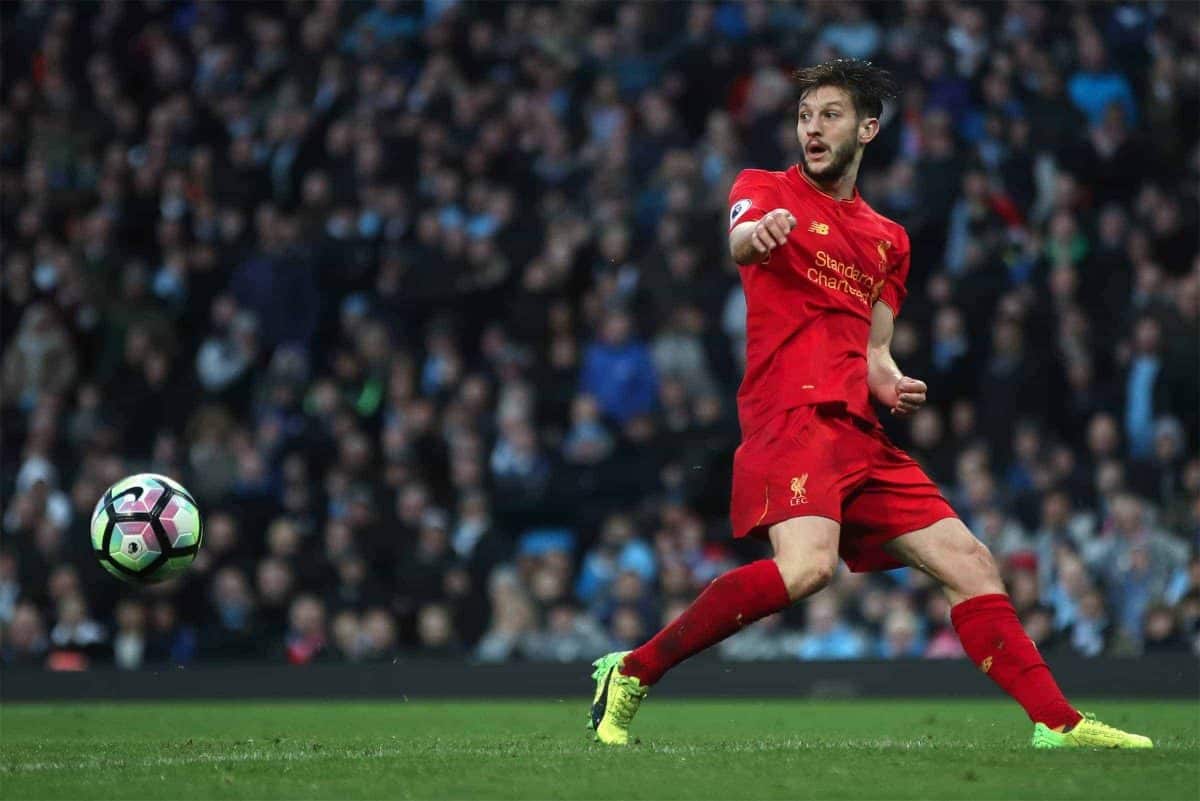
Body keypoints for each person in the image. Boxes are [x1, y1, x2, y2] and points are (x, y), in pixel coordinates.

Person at [588, 59, 1151, 750]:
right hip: (788, 414)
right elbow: (740, 235)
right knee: (808, 568)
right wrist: (753, 238)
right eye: (804, 116)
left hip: (856, 429)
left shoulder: (889, 239)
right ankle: (634, 670)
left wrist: (888, 379)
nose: (812, 128)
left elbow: (875, 345)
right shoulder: (763, 189)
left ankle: (1058, 724)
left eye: (828, 114)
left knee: (971, 561)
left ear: (868, 128)